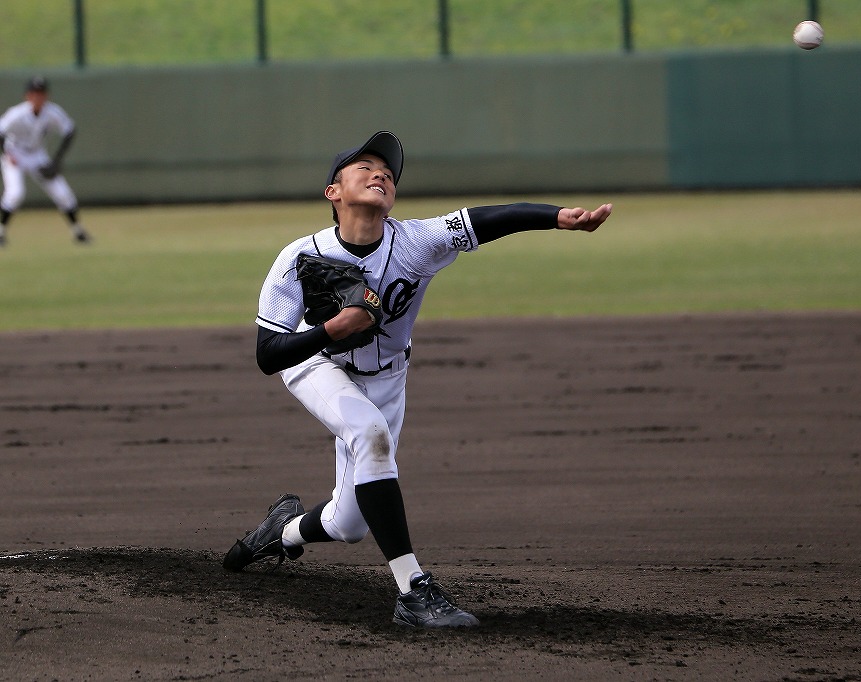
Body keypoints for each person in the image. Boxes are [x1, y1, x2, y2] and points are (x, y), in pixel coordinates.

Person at [223, 130, 612, 628]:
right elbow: (268, 354)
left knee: (349, 523)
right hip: (317, 365)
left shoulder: (416, 242)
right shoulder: (296, 258)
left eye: (387, 171)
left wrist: (558, 219)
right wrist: (331, 329)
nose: (380, 173)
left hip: (388, 377)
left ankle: (284, 530)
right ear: (333, 193)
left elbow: (488, 218)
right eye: (363, 167)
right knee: (370, 435)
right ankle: (413, 591)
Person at [0, 76, 90, 247]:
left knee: (63, 193)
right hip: (15, 153)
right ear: (27, 96)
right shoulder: (17, 113)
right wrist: (6, 153)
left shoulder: (52, 112)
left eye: (41, 93)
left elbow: (69, 131)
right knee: (15, 194)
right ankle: (1, 233)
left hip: (37, 155)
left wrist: (56, 161)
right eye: (34, 94)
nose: (38, 97)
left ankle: (78, 231)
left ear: (46, 95)